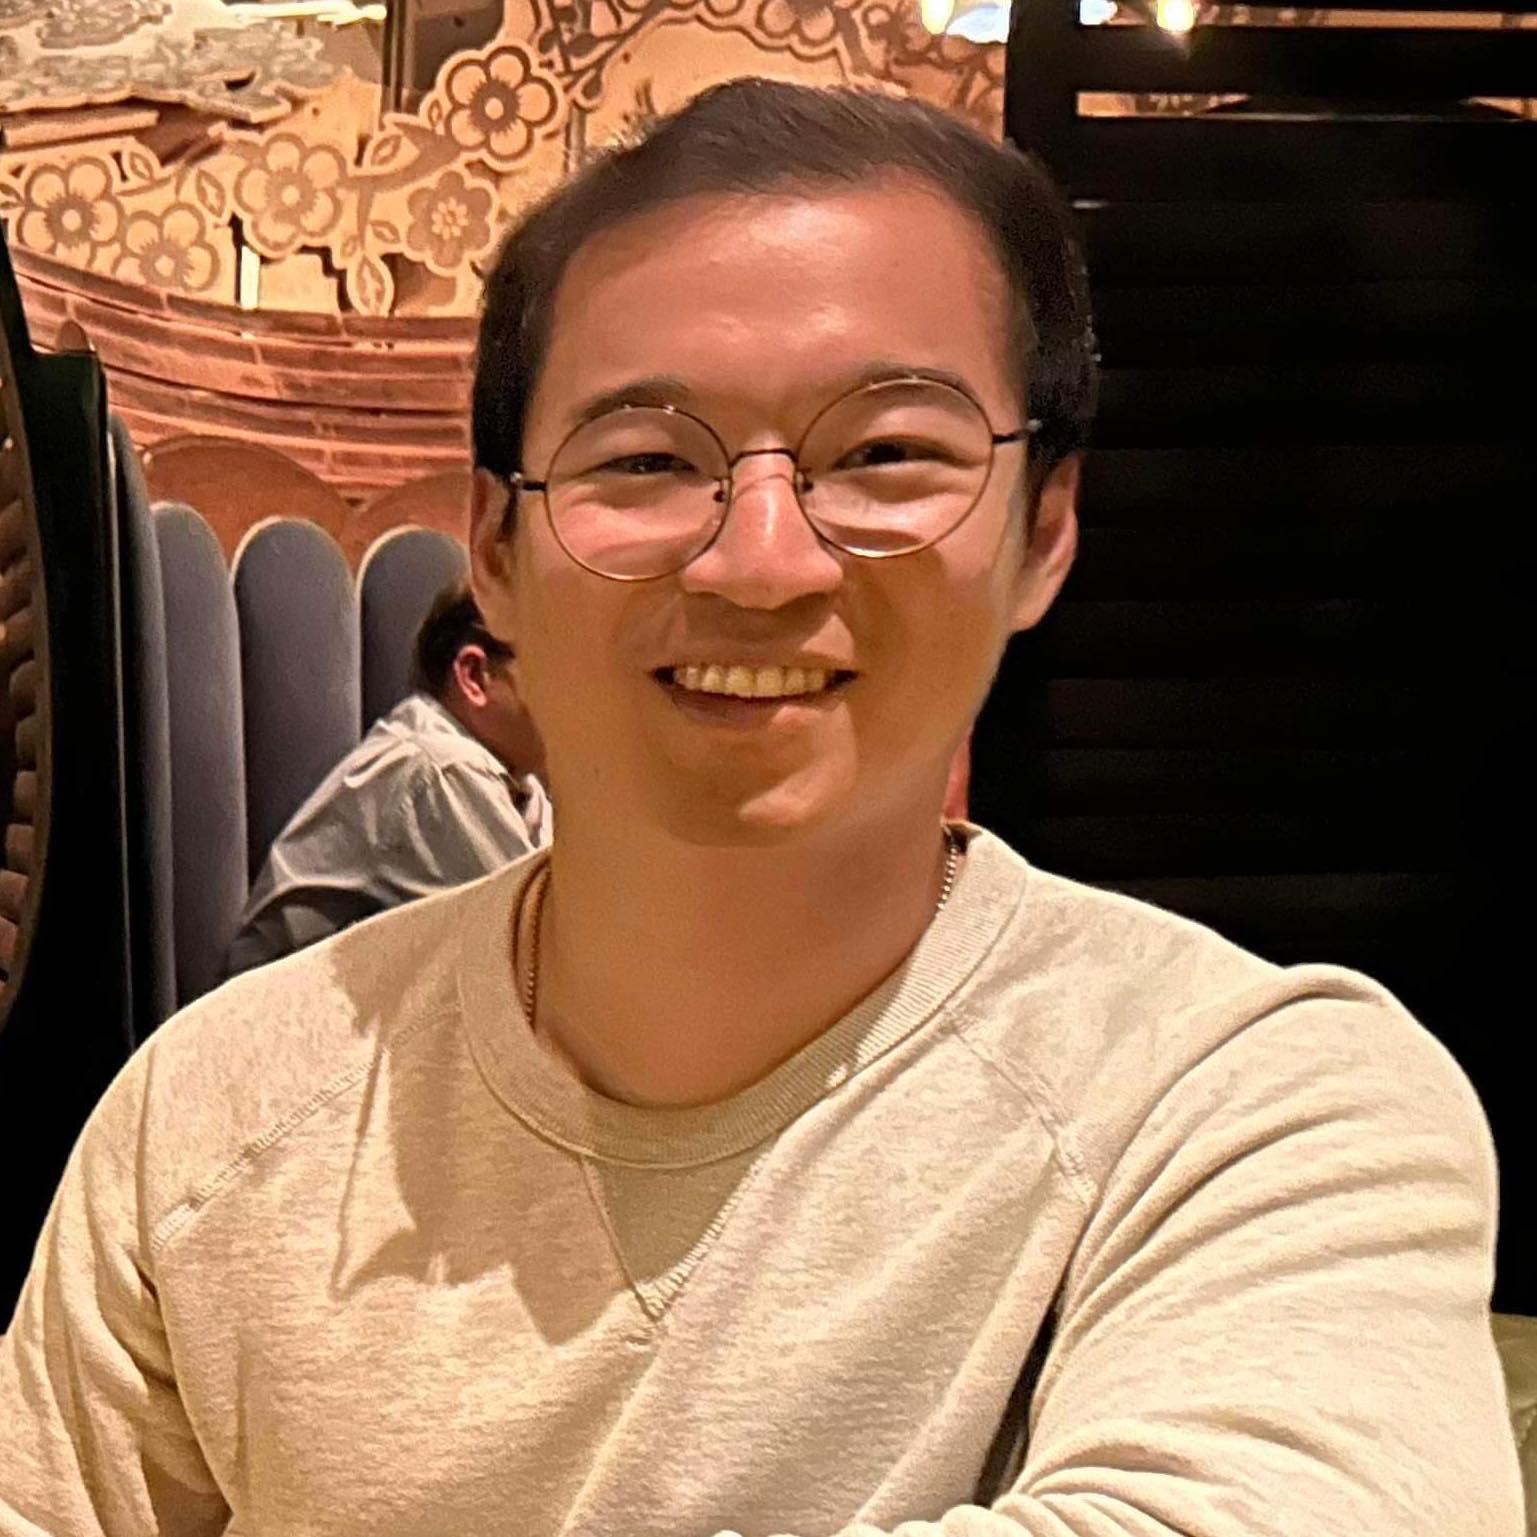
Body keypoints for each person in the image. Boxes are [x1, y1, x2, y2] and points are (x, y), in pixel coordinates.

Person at [0, 79, 1522, 1537]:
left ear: (1044, 531)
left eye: (886, 455)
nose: (762, 560)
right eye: (647, 460)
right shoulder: (209, 1114)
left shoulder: (1250, 1103)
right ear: (498, 552)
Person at [226, 580, 550, 974]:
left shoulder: (520, 782)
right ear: (475, 676)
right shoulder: (438, 769)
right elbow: (543, 949)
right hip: (289, 1009)